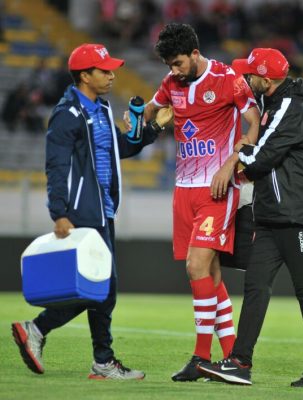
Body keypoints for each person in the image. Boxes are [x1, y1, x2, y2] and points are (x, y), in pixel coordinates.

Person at [11, 43, 169, 380]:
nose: (112, 76)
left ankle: (86, 353)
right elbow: (55, 166)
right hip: (82, 211)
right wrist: (59, 212)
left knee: (100, 288)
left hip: (103, 210)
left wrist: (153, 129)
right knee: (102, 288)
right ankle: (58, 339)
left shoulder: (101, 109)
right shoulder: (66, 114)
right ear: (85, 75)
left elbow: (119, 148)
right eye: (104, 70)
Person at [198, 48, 303, 387]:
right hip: (272, 215)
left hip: (297, 215)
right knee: (256, 286)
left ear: (266, 79)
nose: (246, 78)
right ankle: (239, 362)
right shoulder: (273, 105)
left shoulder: (290, 107)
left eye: (251, 74)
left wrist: (235, 156)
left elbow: (261, 157)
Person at [144, 23, 260, 381]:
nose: (174, 71)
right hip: (183, 189)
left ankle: (200, 357)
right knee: (209, 273)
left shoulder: (227, 79)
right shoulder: (171, 83)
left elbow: (254, 122)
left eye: (178, 63)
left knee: (196, 266)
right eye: (169, 65)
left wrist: (232, 163)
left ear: (195, 54)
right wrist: (141, 114)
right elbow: (150, 111)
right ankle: (231, 359)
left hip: (217, 189)